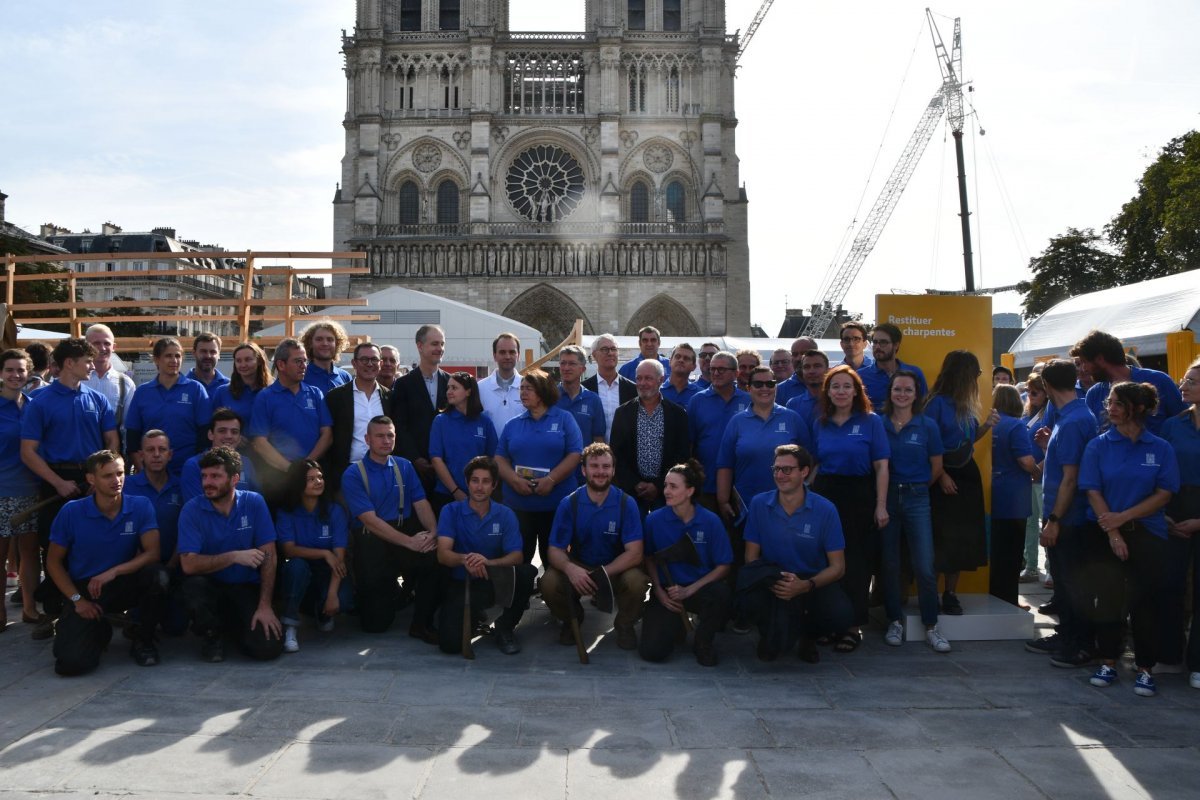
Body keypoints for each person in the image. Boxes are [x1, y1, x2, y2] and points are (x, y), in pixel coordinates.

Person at [1080, 382, 1179, 697]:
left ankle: (1145, 669)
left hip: (1148, 535)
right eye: (1109, 402)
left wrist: (1124, 518)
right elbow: (1092, 490)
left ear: (1137, 408)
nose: (1110, 408)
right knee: (1108, 601)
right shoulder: (1098, 445)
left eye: (1117, 403)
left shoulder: (1160, 447)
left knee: (1146, 603)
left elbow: (1164, 493)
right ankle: (1108, 661)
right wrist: (1113, 531)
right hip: (1106, 535)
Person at [21, 337, 120, 640]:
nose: (93, 365)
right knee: (53, 549)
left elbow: (112, 441)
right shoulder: (40, 402)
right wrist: (57, 482)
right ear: (68, 364)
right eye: (87, 361)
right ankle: (52, 612)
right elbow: (28, 451)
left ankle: (94, 605)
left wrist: (99, 479)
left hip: (92, 482)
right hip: (56, 483)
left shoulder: (97, 399)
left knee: (90, 546)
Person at [43, 449, 167, 674]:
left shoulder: (140, 506)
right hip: (86, 588)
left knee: (158, 576)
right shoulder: (71, 512)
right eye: (107, 475)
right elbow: (53, 563)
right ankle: (98, 629)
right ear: (91, 479)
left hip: (123, 582)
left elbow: (152, 553)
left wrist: (114, 572)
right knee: (71, 665)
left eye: (120, 473)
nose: (116, 480)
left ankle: (144, 639)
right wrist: (78, 600)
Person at [741, 444, 852, 663]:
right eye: (776, 469)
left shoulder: (826, 509)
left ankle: (808, 637)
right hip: (774, 578)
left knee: (841, 614)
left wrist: (805, 585)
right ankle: (770, 633)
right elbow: (751, 557)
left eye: (787, 470)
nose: (780, 475)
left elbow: (838, 567)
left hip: (810, 580)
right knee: (745, 600)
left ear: (804, 472)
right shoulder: (759, 504)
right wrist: (770, 581)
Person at [809, 364, 889, 651]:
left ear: (856, 391)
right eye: (835, 386)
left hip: (859, 495)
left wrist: (881, 506)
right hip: (827, 493)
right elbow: (815, 465)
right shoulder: (821, 422)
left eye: (846, 386)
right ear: (827, 392)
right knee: (825, 561)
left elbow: (881, 467)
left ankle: (852, 626)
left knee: (855, 563)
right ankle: (829, 623)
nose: (841, 391)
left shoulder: (871, 422)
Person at [1024, 359, 1099, 667]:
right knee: (1067, 584)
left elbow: (1071, 477)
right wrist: (1046, 449)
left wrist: (1054, 520)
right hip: (1066, 512)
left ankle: (1080, 643)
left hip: (1069, 517)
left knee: (1073, 584)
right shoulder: (1075, 416)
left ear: (1046, 386)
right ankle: (1068, 634)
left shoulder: (1072, 421)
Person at [341, 416, 442, 640]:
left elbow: (421, 503)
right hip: (372, 540)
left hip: (402, 529)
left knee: (435, 558)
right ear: (367, 439)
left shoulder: (404, 466)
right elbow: (369, 520)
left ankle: (421, 623)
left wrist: (433, 533)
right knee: (375, 624)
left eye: (390, 435)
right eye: (380, 436)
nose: (386, 440)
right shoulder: (353, 474)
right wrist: (410, 542)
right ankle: (393, 594)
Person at [178, 447, 282, 662]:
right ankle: (211, 635)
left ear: (235, 479)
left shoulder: (254, 502)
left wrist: (265, 606)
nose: (208, 482)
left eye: (215, 476)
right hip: (211, 588)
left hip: (245, 586)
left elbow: (269, 555)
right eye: (204, 476)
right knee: (193, 586)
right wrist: (234, 556)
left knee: (267, 649)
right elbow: (188, 564)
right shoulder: (192, 509)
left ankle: (235, 628)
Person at [541, 443, 648, 650]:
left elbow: (635, 554)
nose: (600, 472)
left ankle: (625, 624)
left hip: (613, 567)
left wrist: (603, 573)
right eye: (595, 466)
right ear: (584, 470)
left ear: (613, 470)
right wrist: (571, 569)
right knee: (549, 582)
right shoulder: (569, 503)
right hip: (580, 564)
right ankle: (572, 619)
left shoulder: (627, 503)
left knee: (636, 581)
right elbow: (554, 550)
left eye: (606, 466)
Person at [435, 456, 537, 656]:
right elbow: (443, 554)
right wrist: (466, 559)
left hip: (493, 577)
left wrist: (488, 562)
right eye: (475, 480)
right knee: (450, 646)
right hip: (463, 581)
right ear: (467, 483)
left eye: (485, 481)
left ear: (494, 485)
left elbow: (516, 555)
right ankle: (474, 616)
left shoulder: (505, 514)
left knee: (526, 572)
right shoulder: (450, 511)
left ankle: (505, 628)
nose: (479, 487)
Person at [878, 371, 950, 652]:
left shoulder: (927, 425)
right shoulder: (878, 423)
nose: (902, 394)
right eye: (898, 389)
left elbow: (936, 467)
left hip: (917, 497)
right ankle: (894, 621)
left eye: (908, 390)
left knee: (924, 565)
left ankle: (931, 625)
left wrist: (917, 487)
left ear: (916, 394)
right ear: (890, 392)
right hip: (886, 498)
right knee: (891, 564)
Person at [924, 350, 997, 616]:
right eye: (975, 374)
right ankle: (930, 593)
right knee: (940, 537)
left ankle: (950, 593)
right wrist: (941, 474)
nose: (977, 379)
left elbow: (965, 441)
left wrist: (986, 425)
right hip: (943, 477)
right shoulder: (935, 404)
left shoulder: (965, 404)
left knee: (961, 540)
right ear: (963, 374)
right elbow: (928, 444)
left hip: (967, 475)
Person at [640, 459, 733, 666]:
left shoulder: (710, 521)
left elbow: (724, 566)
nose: (666, 491)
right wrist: (658, 591)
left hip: (698, 588)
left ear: (690, 491)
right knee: (653, 652)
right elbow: (649, 557)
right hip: (668, 592)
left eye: (673, 486)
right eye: (665, 485)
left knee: (722, 595)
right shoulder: (653, 520)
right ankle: (675, 627)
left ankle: (703, 642)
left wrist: (690, 590)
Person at [494, 369, 583, 564]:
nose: (523, 393)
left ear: (543, 391)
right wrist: (514, 480)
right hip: (518, 506)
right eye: (522, 388)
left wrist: (551, 480)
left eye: (529, 389)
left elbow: (575, 453)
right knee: (519, 563)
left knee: (555, 564)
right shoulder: (513, 424)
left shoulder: (564, 419)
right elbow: (500, 458)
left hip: (556, 505)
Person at [717, 365, 812, 528]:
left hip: (788, 505)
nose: (764, 388)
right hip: (747, 505)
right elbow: (725, 464)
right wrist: (723, 500)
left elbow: (811, 459)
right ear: (749, 388)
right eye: (758, 384)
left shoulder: (792, 418)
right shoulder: (737, 422)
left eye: (770, 384)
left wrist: (804, 488)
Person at [276, 459, 352, 653]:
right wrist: (324, 552)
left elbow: (339, 558)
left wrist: (332, 595)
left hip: (328, 571)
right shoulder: (287, 512)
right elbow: (288, 550)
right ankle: (290, 626)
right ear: (297, 483)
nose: (318, 482)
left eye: (320, 477)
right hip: (301, 569)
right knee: (296, 566)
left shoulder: (334, 510)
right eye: (311, 479)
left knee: (343, 600)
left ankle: (324, 612)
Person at [249, 339, 333, 503]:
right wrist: (291, 470)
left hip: (313, 475)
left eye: (304, 361)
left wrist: (307, 466)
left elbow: (327, 434)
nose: (304, 366)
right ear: (281, 365)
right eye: (297, 361)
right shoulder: (265, 397)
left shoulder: (315, 394)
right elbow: (259, 442)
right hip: (280, 479)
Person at [1161, 358, 1200, 688]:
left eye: (1191, 382)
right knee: (1171, 584)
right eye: (1183, 380)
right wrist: (1162, 511)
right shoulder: (1174, 425)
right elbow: (1159, 469)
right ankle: (1170, 654)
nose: (1183, 386)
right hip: (1174, 508)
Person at [123, 429, 186, 635]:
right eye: (150, 450)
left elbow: (186, 530)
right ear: (141, 455)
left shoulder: (181, 486)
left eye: (162, 449)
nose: (156, 454)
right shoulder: (127, 487)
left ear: (170, 454)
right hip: (139, 567)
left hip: (175, 565)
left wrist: (171, 566)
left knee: (176, 629)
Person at [611, 359, 691, 516]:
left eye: (648, 378)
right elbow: (616, 454)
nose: (642, 383)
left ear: (661, 380)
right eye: (639, 378)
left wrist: (658, 485)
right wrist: (635, 484)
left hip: (667, 491)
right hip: (632, 491)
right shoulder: (622, 413)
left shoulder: (677, 414)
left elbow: (682, 455)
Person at [0, 349, 45, 629]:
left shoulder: (33, 406)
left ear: (29, 373)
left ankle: (29, 607)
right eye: (9, 370)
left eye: (21, 370)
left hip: (30, 489)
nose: (16, 375)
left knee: (30, 553)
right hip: (1, 490)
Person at [125, 337, 213, 474]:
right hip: (151, 472)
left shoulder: (195, 389)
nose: (174, 360)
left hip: (187, 470)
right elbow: (132, 437)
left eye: (178, 356)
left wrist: (196, 468)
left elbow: (205, 435)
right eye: (168, 356)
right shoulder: (142, 392)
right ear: (156, 359)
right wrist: (143, 471)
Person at [1073, 329, 1185, 433]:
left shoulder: (1159, 380)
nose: (1083, 369)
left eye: (1084, 362)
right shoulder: (1094, 394)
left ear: (1100, 359)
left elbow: (1184, 422)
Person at [989, 384, 1040, 606]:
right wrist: (1037, 471)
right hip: (1014, 496)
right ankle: (1009, 599)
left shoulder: (990, 425)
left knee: (997, 550)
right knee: (1012, 553)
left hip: (994, 491)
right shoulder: (1016, 426)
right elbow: (1025, 461)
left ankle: (994, 595)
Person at [389, 324, 450, 495]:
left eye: (442, 344)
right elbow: (400, 425)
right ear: (420, 346)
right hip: (415, 469)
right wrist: (415, 459)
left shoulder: (451, 383)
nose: (440, 349)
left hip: (447, 468)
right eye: (435, 344)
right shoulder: (403, 384)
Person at [323, 342, 390, 495]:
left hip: (382, 471)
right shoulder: (335, 397)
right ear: (354, 363)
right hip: (347, 473)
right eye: (364, 359)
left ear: (380, 363)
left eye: (374, 360)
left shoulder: (390, 397)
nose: (369, 364)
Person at [686, 351, 750, 510]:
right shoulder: (697, 401)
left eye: (721, 369)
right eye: (712, 368)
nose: (715, 373)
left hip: (741, 483)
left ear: (735, 373)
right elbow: (689, 443)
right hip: (706, 484)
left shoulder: (748, 400)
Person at [429, 372, 498, 514]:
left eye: (454, 388)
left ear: (468, 391)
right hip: (446, 494)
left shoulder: (484, 422)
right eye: (448, 388)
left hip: (479, 496)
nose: (449, 392)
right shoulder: (441, 421)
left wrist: (481, 489)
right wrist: (455, 490)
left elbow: (493, 459)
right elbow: (436, 459)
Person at [181, 408, 258, 503]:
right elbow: (196, 510)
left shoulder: (247, 463)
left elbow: (255, 503)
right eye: (222, 431)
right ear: (210, 434)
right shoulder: (193, 465)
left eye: (234, 432)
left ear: (239, 438)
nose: (228, 436)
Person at [83, 324, 136, 451]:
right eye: (96, 343)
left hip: (113, 453)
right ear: (86, 346)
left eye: (107, 343)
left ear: (114, 347)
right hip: (80, 453)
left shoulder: (126, 383)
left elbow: (128, 426)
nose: (102, 348)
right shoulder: (77, 379)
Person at [1020, 373, 1049, 583]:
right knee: (1030, 524)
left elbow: (1053, 448)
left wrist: (1037, 469)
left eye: (1035, 392)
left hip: (1044, 477)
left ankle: (1051, 568)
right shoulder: (1026, 414)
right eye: (1028, 392)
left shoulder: (1050, 414)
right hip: (1028, 478)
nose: (1030, 396)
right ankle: (1030, 566)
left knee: (1046, 523)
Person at [858, 323, 928, 411]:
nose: (878, 347)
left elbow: (924, 407)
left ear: (896, 345)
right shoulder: (860, 376)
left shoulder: (915, 373)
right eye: (875, 342)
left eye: (883, 342)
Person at [210, 342, 272, 434]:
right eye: (238, 361)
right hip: (233, 446)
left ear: (259, 361)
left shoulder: (273, 390)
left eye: (248, 360)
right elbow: (214, 426)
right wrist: (236, 435)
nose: (243, 365)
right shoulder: (222, 392)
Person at [583, 333, 636, 440]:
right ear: (594, 355)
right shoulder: (585, 389)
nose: (610, 353)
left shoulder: (632, 389)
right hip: (594, 453)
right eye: (604, 349)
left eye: (613, 349)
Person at [556, 345, 606, 449]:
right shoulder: (549, 397)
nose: (566, 368)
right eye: (563, 363)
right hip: (554, 464)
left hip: (582, 463)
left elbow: (598, 439)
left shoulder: (593, 400)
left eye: (572, 364)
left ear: (583, 369)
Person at [478, 332, 524, 434]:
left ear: (518, 356)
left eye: (512, 352)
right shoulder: (480, 388)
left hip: (521, 449)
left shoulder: (529, 388)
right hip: (490, 450)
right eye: (502, 352)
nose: (507, 356)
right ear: (495, 356)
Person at [300, 319, 352, 394]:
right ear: (310, 343)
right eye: (319, 339)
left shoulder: (345, 377)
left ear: (337, 344)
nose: (325, 343)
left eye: (330, 339)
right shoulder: (301, 375)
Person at [785, 349, 829, 425]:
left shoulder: (837, 401)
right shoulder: (793, 404)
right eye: (807, 367)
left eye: (817, 366)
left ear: (828, 370)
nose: (811, 371)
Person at [775, 336, 818, 406]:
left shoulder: (830, 385)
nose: (799, 358)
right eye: (795, 354)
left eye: (804, 353)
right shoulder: (780, 390)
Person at [661, 343, 702, 408]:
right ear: (670, 361)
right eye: (677, 357)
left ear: (694, 367)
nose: (681, 360)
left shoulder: (700, 395)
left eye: (686, 358)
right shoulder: (657, 392)